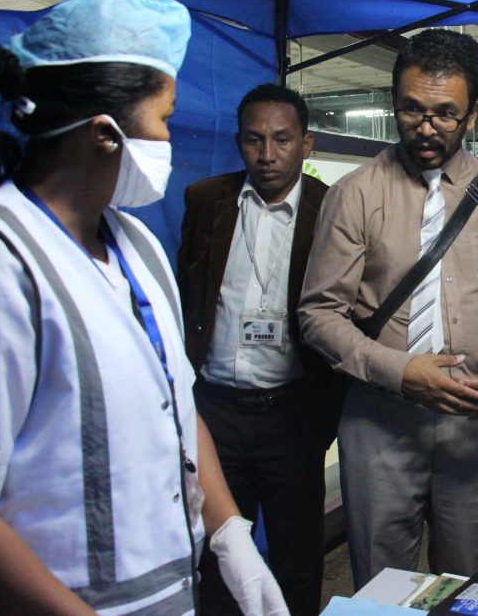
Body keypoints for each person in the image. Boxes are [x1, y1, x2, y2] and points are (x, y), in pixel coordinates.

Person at [0, 0, 285, 615]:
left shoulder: (136, 246)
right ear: (103, 133)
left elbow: (174, 406)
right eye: (165, 118)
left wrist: (229, 533)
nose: (170, 137)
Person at [297, 28, 478, 589]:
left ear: (474, 112)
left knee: (467, 585)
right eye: (411, 110)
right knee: (384, 591)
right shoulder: (356, 193)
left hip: (474, 426)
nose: (425, 128)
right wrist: (400, 372)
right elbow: (317, 314)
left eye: (444, 114)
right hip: (380, 426)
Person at [177, 84, 339, 616]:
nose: (266, 155)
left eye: (281, 140)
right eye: (253, 140)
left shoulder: (331, 209)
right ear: (238, 142)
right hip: (217, 413)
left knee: (297, 555)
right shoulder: (206, 201)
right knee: (219, 556)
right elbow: (189, 293)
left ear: (307, 144)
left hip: (292, 412)